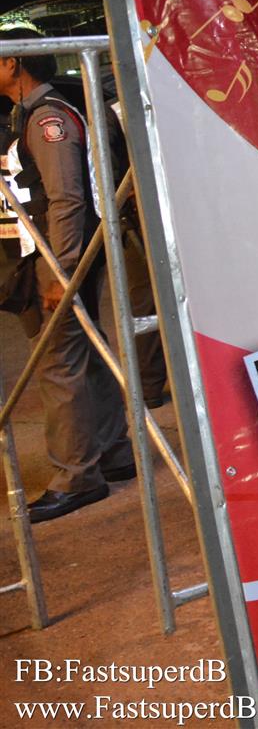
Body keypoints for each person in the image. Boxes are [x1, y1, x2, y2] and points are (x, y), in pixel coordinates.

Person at [0, 34, 134, 522]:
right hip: (59, 252)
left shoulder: (46, 119)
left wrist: (63, 270)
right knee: (85, 351)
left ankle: (76, 476)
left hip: (57, 255)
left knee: (58, 363)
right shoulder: (31, 114)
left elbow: (67, 199)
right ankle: (113, 451)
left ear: (14, 64)